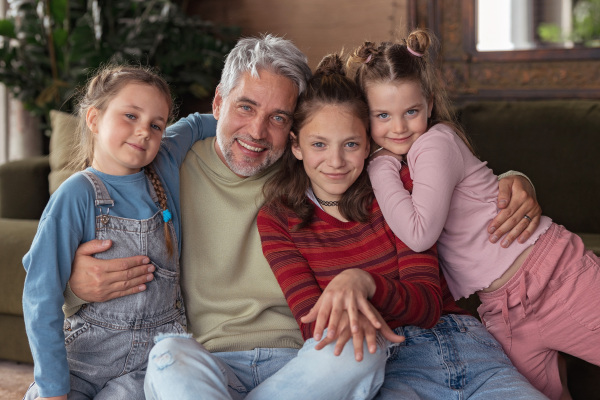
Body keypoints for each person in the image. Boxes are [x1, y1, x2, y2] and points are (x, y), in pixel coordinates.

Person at [64, 35, 543, 399]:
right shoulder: (170, 165)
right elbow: (94, 209)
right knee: (164, 358)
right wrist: (73, 282)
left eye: (277, 117)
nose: (256, 131)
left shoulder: (327, 172)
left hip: (305, 361)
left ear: (292, 131)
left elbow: (417, 151)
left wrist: (512, 179)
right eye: (245, 107)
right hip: (210, 358)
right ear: (216, 104)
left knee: (363, 351)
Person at [253, 53, 546, 399]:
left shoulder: (395, 188)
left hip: (467, 345)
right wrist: (362, 292)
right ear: (296, 146)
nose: (335, 162)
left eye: (351, 144)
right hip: (389, 365)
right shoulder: (277, 219)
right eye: (319, 144)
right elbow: (315, 325)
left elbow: (426, 302)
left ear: (368, 144)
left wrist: (363, 283)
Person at [351, 30, 600, 399]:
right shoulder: (403, 160)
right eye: (383, 115)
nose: (399, 127)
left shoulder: (433, 143)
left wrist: (379, 163)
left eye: (411, 112)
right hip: (502, 309)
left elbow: (419, 233)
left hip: (552, 279)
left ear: (430, 104)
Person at [21, 65, 215, 400]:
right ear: (94, 120)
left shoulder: (165, 163)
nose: (144, 132)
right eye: (130, 116)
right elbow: (41, 298)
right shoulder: (75, 195)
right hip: (84, 360)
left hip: (148, 365)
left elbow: (200, 124)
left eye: (157, 125)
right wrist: (54, 390)